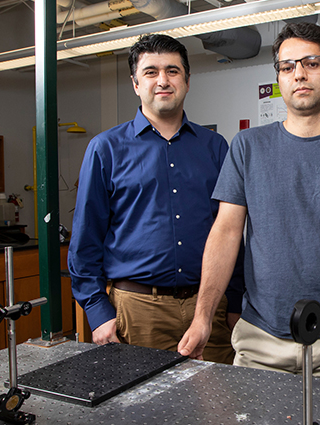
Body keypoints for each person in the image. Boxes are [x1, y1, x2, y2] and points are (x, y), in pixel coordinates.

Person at [178, 22, 320, 384]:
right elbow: (226, 232)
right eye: (287, 66)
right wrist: (203, 317)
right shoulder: (248, 147)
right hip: (262, 337)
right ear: (279, 78)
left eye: (311, 63)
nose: (299, 74)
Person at [68, 34, 240, 365]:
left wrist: (234, 301)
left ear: (187, 81)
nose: (163, 80)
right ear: (135, 83)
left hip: (209, 309)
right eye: (150, 72)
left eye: (173, 71)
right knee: (140, 412)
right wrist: (96, 310)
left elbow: (231, 232)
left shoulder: (215, 147)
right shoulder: (106, 149)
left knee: (216, 408)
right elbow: (85, 238)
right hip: (137, 311)